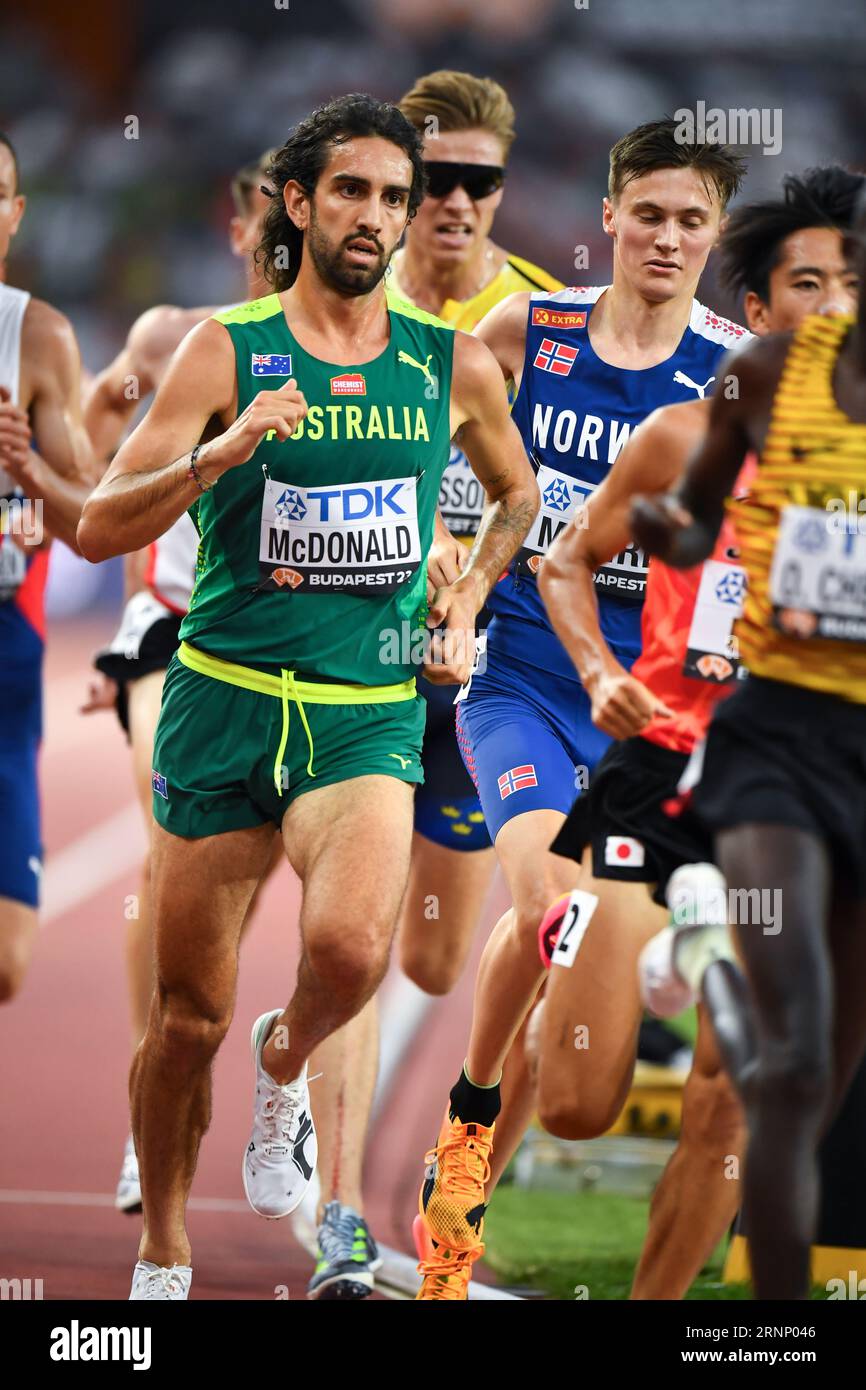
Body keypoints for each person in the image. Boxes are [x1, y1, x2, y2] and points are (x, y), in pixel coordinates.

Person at [76, 92, 538, 1302]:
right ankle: (164, 1250)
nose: (377, 217)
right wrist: (214, 455)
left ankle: (286, 1061)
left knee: (345, 950)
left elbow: (517, 499)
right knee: (183, 1020)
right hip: (223, 698)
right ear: (296, 203)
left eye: (395, 197)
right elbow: (92, 527)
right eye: (353, 192)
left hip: (363, 709)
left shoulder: (449, 361)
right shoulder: (223, 349)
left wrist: (462, 603)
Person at [413, 116, 749, 1300]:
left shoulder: (727, 375)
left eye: (688, 221)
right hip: (522, 681)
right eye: (644, 213)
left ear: (712, 239)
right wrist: (453, 576)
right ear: (604, 218)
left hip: (646, 708)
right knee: (552, 908)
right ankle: (464, 1115)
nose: (664, 237)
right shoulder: (525, 331)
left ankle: (466, 1169)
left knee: (565, 975)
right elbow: (446, 478)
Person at [537, 165, 863, 1298]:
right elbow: (567, 558)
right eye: (804, 285)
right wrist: (593, 670)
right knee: (574, 1103)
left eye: (849, 284)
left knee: (741, 1090)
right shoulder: (688, 432)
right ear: (759, 311)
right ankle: (537, 946)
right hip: (660, 770)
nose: (830, 307)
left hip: (793, 776)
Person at [302, 68, 562, 1301]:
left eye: (476, 182)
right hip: (351, 662)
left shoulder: (537, 326)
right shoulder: (342, 296)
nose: (450, 204)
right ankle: (342, 1219)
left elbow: (539, 500)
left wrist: (475, 579)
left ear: (502, 189)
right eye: (429, 181)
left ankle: (415, 1163)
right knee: (348, 944)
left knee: (436, 960)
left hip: (478, 670)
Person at [82, 151, 275, 1216]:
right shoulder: (168, 339)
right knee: (167, 842)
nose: (271, 243)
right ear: (238, 224)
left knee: (231, 902)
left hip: (294, 648)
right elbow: (100, 467)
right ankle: (145, 1096)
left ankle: (223, 1064)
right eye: (259, 223)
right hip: (170, 631)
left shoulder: (355, 350)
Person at [0, 131, 97, 1004]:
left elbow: (94, 520)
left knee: (5, 964)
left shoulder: (36, 339)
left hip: (4, 652)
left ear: (15, 214)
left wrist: (28, 474)